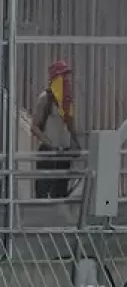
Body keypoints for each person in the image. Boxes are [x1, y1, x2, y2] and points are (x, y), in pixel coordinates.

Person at [31, 60, 79, 199]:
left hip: (64, 152)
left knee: (60, 193)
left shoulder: (67, 100)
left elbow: (70, 124)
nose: (65, 79)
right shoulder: (45, 98)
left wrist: (75, 142)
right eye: (62, 75)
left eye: (66, 76)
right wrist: (50, 145)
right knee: (44, 192)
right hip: (49, 152)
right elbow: (34, 127)